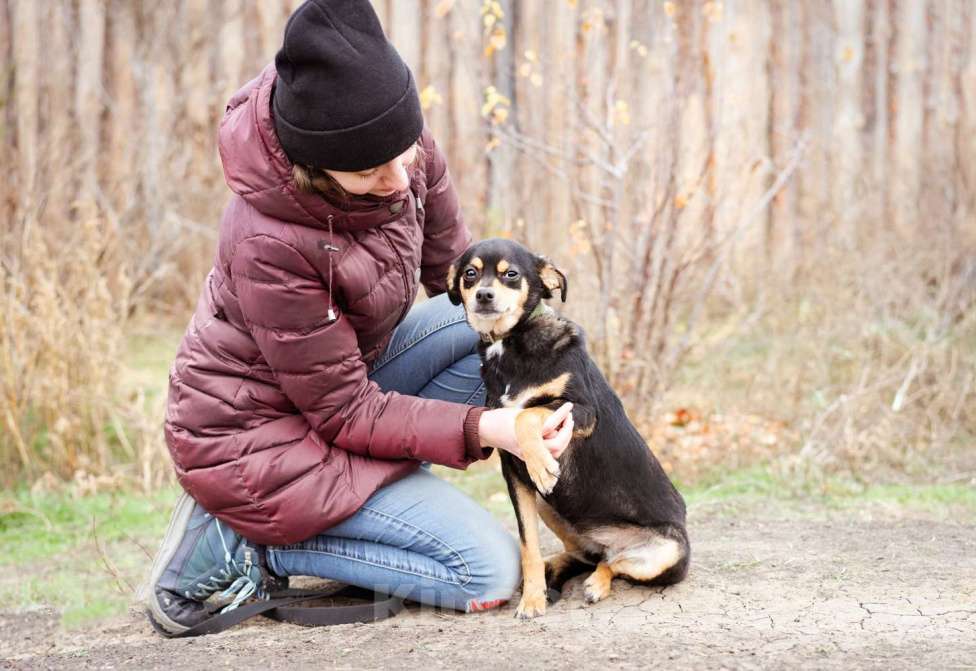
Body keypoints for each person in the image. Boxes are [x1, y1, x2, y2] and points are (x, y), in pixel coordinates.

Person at [145, 0, 574, 636]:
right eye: (371, 171)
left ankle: (382, 497)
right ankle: (246, 542)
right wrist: (492, 427)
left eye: (404, 153)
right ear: (315, 168)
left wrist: (554, 382)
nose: (400, 180)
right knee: (487, 573)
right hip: (258, 445)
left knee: (486, 325)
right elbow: (345, 411)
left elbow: (454, 278)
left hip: (338, 392)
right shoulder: (269, 242)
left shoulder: (394, 143)